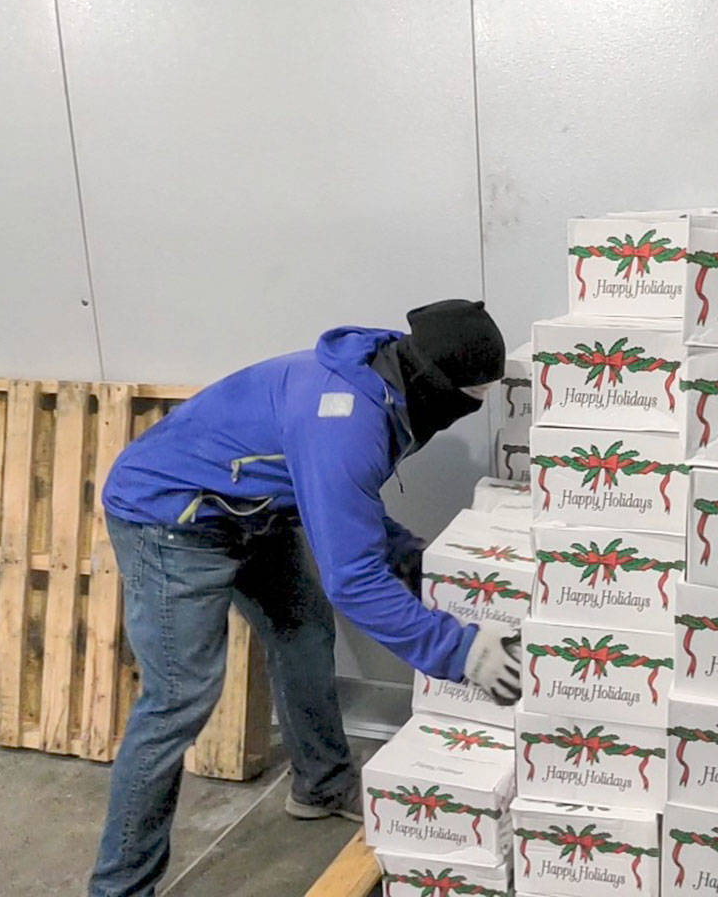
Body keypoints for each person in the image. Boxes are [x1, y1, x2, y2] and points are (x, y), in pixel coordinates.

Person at [88, 299, 523, 897]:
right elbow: (354, 579)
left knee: (303, 631)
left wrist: (413, 558)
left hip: (252, 509)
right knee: (178, 700)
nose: (464, 414)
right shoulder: (345, 418)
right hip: (171, 519)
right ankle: (119, 887)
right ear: (437, 386)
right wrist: (462, 652)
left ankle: (320, 787)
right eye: (467, 401)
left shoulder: (385, 378)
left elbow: (339, 501)